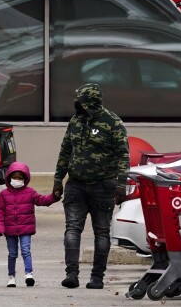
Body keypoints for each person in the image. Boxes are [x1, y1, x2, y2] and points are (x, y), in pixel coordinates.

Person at [51, 82, 130, 289]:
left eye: (84, 104)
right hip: (76, 185)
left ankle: (97, 277)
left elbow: (123, 155)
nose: (80, 108)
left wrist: (122, 184)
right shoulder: (75, 121)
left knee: (102, 232)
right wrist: (58, 179)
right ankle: (71, 274)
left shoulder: (113, 123)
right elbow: (65, 151)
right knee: (72, 229)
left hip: (104, 185)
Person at [0, 161, 59, 287]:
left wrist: (53, 197)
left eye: (20, 178)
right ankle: (11, 276)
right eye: (14, 177)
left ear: (25, 179)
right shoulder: (4, 194)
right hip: (9, 229)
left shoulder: (30, 192)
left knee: (25, 250)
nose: (17, 180)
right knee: (12, 253)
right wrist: (0, 228)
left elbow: (41, 200)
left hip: (25, 228)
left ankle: (29, 274)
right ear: (9, 178)